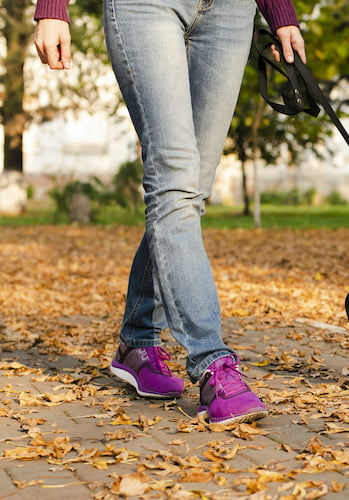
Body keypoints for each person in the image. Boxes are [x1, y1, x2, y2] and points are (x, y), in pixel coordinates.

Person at [33, 0, 306, 425]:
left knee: (190, 193)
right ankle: (212, 363)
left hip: (231, 12)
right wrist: (52, 6)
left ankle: (137, 341)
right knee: (175, 184)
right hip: (146, 6)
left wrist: (281, 14)